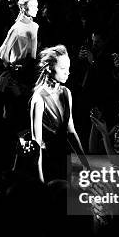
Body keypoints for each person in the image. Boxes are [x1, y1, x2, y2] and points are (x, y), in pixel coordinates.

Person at [30, 45, 87, 183]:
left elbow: (71, 131)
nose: (67, 73)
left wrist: (86, 163)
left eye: (68, 68)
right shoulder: (39, 98)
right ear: (50, 68)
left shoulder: (66, 93)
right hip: (48, 163)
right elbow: (36, 143)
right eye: (62, 69)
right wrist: (40, 179)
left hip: (66, 160)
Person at [0, 0, 39, 65]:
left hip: (30, 69)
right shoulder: (17, 28)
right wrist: (12, 67)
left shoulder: (35, 26)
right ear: (23, 8)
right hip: (18, 70)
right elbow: (4, 52)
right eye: (32, 6)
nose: (36, 9)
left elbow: (33, 54)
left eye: (36, 6)